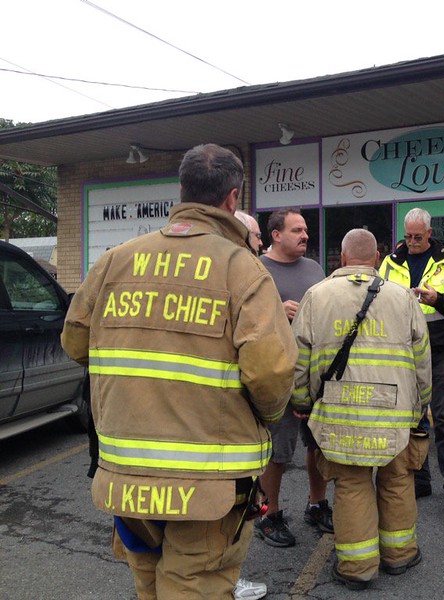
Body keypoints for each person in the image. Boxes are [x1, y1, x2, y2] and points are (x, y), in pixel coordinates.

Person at [61, 143, 297, 600]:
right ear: (232, 199)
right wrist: (265, 418)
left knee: (147, 582)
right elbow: (271, 373)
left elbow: (75, 342)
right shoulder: (241, 269)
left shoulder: (116, 259)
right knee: (195, 586)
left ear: (183, 191)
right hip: (206, 482)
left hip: (128, 474)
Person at [292, 228, 432, 590]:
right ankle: (400, 555)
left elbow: (299, 361)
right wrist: (421, 406)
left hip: (339, 413)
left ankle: (357, 568)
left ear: (340, 257)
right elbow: (422, 361)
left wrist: (303, 404)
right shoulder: (402, 297)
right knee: (398, 481)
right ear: (375, 259)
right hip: (396, 412)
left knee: (352, 485)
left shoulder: (315, 296)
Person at [379, 207, 444, 517]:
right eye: (407, 236)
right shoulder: (391, 262)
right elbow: (377, 299)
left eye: (418, 237)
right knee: (413, 420)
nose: (412, 242)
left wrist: (438, 300)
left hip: (440, 351)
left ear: (430, 233)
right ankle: (420, 479)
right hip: (404, 353)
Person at [255, 208, 331, 547]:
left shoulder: (314, 268)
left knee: (316, 444)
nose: (305, 235)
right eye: (297, 230)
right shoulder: (256, 269)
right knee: (278, 450)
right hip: (278, 376)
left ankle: (317, 505)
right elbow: (241, 322)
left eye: (305, 230)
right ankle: (267, 515)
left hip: (314, 377)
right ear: (276, 235)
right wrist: (275, 313)